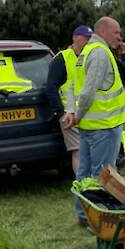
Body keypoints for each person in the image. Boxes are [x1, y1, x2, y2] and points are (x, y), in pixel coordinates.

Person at [64, 17, 125, 226]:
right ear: (103, 31)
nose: (120, 37)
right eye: (117, 32)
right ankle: (100, 218)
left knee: (84, 173)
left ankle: (83, 215)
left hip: (90, 127)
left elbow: (72, 86)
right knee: (102, 176)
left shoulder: (84, 53)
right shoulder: (100, 53)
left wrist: (72, 112)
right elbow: (87, 92)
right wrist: (77, 115)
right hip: (103, 126)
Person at [45, 25, 92, 179]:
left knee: (90, 148)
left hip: (89, 111)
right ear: (74, 38)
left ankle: (92, 179)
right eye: (85, 38)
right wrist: (61, 113)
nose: (87, 42)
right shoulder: (61, 59)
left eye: (90, 38)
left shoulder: (89, 56)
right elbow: (51, 87)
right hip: (69, 112)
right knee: (78, 150)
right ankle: (82, 182)